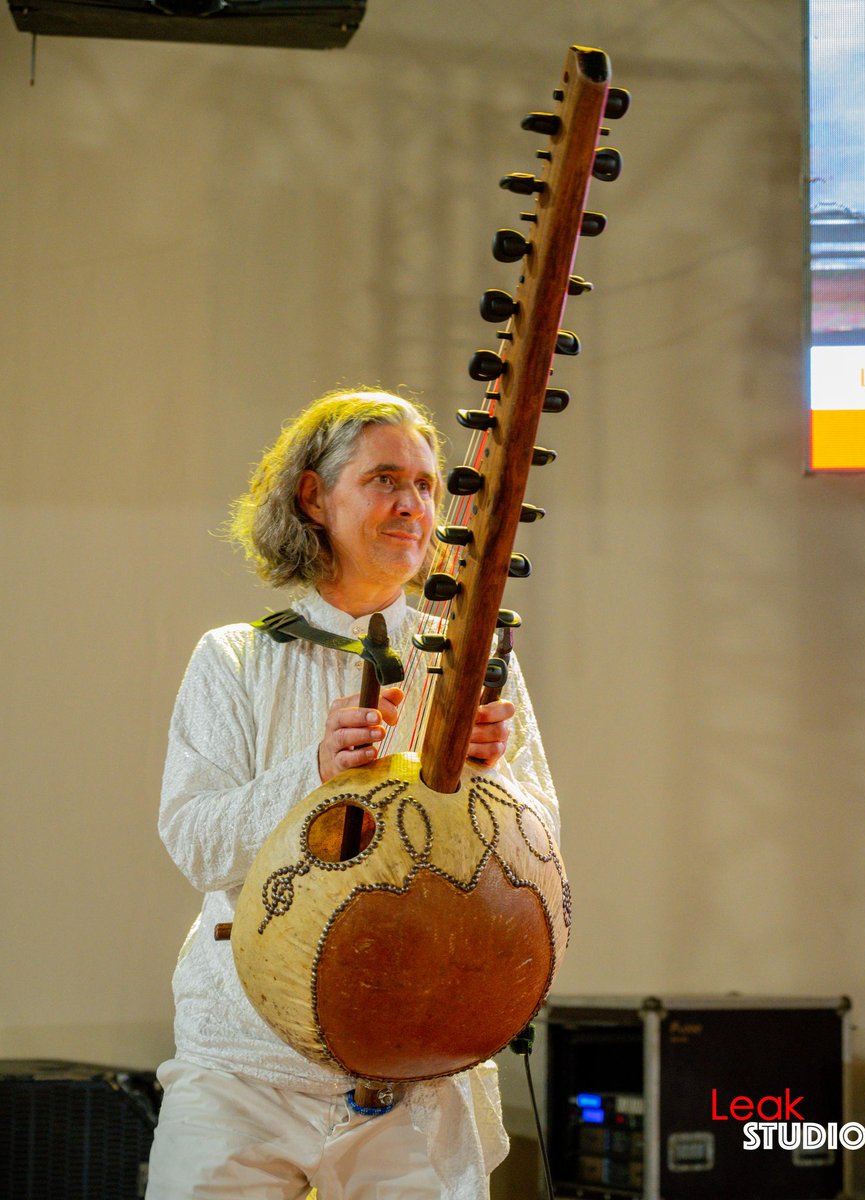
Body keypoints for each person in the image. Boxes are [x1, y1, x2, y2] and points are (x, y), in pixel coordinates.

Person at [147, 388, 560, 1200]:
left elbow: (543, 847)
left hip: (413, 1071)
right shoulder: (236, 658)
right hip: (242, 1072)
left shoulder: (472, 659)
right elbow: (194, 842)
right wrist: (312, 774)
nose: (412, 505)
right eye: (384, 480)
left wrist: (490, 781)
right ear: (314, 496)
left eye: (426, 485)